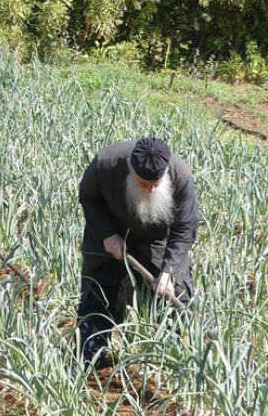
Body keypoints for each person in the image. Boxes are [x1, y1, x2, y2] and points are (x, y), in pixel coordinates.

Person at [77, 136, 200, 368]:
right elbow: (88, 197)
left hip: (157, 242)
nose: (151, 189)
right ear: (129, 166)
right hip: (111, 235)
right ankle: (89, 355)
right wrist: (106, 234)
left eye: (156, 183)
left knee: (178, 297)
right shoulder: (106, 163)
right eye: (143, 183)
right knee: (98, 293)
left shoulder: (180, 175)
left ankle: (177, 362)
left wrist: (169, 271)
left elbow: (185, 227)